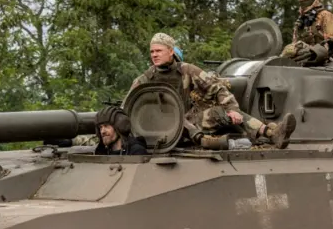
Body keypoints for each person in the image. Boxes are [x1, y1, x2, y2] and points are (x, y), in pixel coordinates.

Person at [123, 33, 297, 149]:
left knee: (223, 113)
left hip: (188, 121)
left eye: (159, 51)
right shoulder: (146, 78)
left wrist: (233, 109)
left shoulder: (187, 70)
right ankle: (208, 140)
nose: (154, 55)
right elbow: (127, 105)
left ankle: (271, 133)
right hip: (160, 129)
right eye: (152, 51)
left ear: (170, 51)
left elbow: (216, 88)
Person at [281, 0, 333, 66]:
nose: (301, 0)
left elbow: (332, 44)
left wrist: (312, 51)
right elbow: (294, 43)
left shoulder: (326, 16)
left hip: (325, 61)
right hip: (304, 60)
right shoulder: (300, 20)